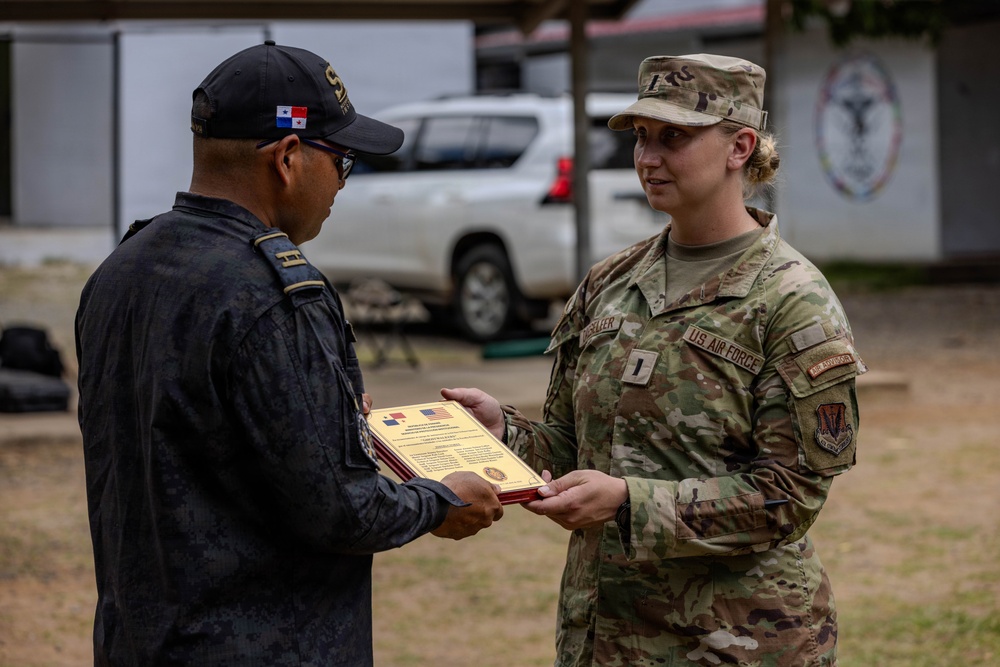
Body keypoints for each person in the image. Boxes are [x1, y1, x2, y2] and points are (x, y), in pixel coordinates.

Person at [75, 41, 503, 666]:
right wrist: (441, 500)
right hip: (264, 644)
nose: (341, 184)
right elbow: (341, 509)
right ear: (288, 157)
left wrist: (331, 417)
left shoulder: (121, 270)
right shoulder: (274, 293)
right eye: (344, 162)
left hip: (140, 639)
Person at [444, 53, 866, 666]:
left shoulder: (792, 300)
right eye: (641, 137)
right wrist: (502, 433)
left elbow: (790, 493)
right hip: (606, 635)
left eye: (674, 137)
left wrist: (626, 503)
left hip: (736, 643)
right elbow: (572, 444)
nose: (646, 158)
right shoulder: (609, 282)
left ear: (740, 146)